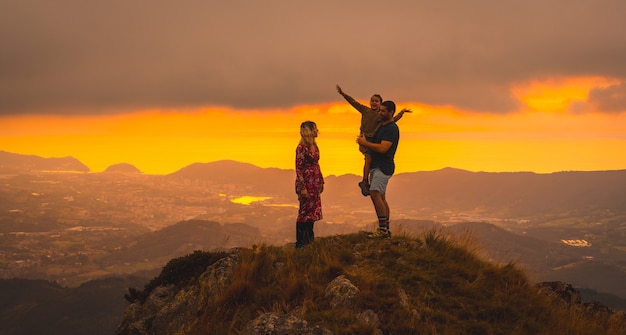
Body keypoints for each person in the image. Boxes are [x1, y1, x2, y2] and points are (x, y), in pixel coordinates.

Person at [336, 85, 409, 196]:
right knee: (368, 159)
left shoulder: (381, 116)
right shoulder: (365, 110)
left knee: (370, 159)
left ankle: (367, 181)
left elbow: (393, 119)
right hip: (365, 139)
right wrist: (343, 94)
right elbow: (353, 102)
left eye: (377, 101)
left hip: (373, 140)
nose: (374, 103)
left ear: (381, 103)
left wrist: (401, 113)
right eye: (372, 100)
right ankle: (365, 181)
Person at [356, 101, 400, 239]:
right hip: (377, 166)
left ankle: (383, 231)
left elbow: (383, 148)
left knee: (375, 193)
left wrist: (366, 143)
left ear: (391, 112)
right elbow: (374, 145)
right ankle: (385, 229)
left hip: (383, 167)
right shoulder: (382, 127)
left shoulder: (391, 129)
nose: (379, 113)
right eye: (379, 110)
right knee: (381, 197)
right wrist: (364, 146)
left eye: (383, 111)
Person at [295, 121, 324, 249]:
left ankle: (309, 240)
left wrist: (321, 181)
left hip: (315, 183)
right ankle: (300, 242)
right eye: (315, 129)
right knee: (304, 212)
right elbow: (298, 168)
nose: (317, 131)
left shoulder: (315, 146)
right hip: (306, 183)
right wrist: (303, 187)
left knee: (311, 213)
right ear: (309, 131)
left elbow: (317, 164)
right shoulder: (301, 147)